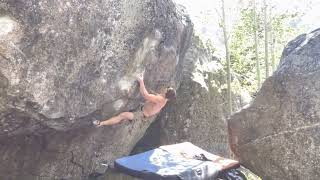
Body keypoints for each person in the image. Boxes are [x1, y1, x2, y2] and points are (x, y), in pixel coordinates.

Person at [93, 74, 176, 127]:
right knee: (124, 115)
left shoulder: (160, 99)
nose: (166, 88)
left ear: (166, 92)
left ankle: (101, 124)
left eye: (167, 89)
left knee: (123, 115)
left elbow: (145, 95)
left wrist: (141, 81)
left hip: (140, 114)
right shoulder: (164, 99)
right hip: (142, 109)